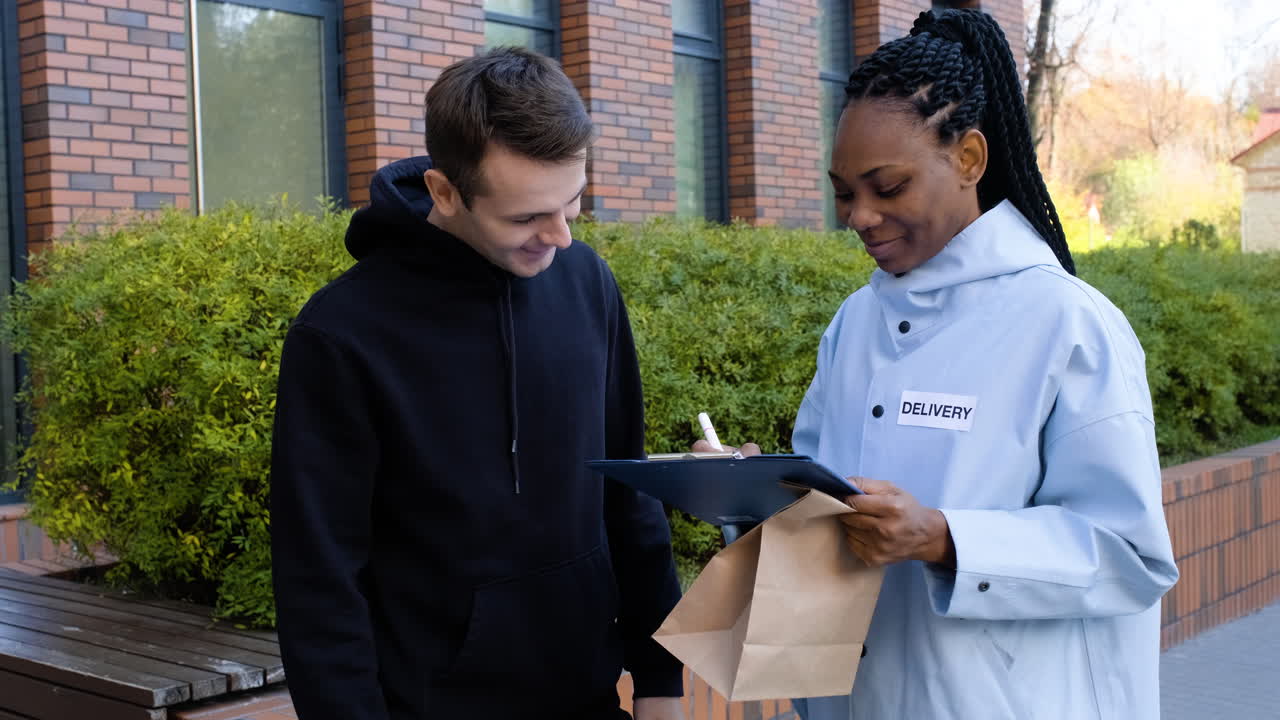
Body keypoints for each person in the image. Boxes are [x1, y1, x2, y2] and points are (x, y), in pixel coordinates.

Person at [697, 10, 1177, 720]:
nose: (859, 216)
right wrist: (756, 494)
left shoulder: (1067, 323)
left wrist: (946, 539)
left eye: (887, 187)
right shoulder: (855, 323)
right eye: (844, 192)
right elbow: (827, 517)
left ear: (969, 160)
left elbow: (1129, 556)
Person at [270, 47, 685, 720]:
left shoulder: (587, 283)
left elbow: (628, 493)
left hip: (588, 701)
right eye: (525, 217)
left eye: (572, 201)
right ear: (444, 192)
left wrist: (662, 683)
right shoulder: (341, 335)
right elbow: (319, 580)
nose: (560, 236)